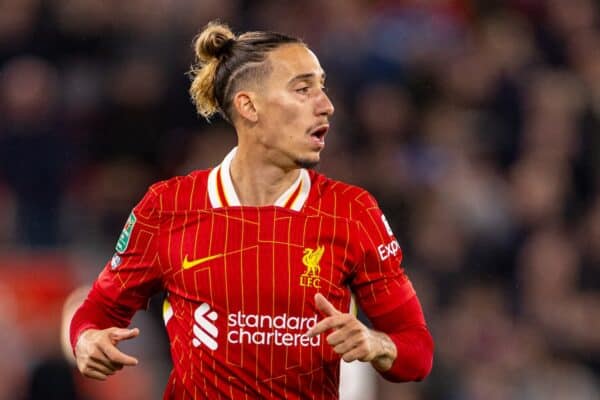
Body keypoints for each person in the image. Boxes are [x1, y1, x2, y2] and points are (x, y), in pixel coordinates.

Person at [70, 21, 434, 399]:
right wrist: (87, 340)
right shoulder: (167, 206)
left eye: (322, 88)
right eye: (303, 89)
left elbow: (418, 353)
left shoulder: (351, 212)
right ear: (249, 105)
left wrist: (377, 345)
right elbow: (96, 312)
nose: (326, 105)